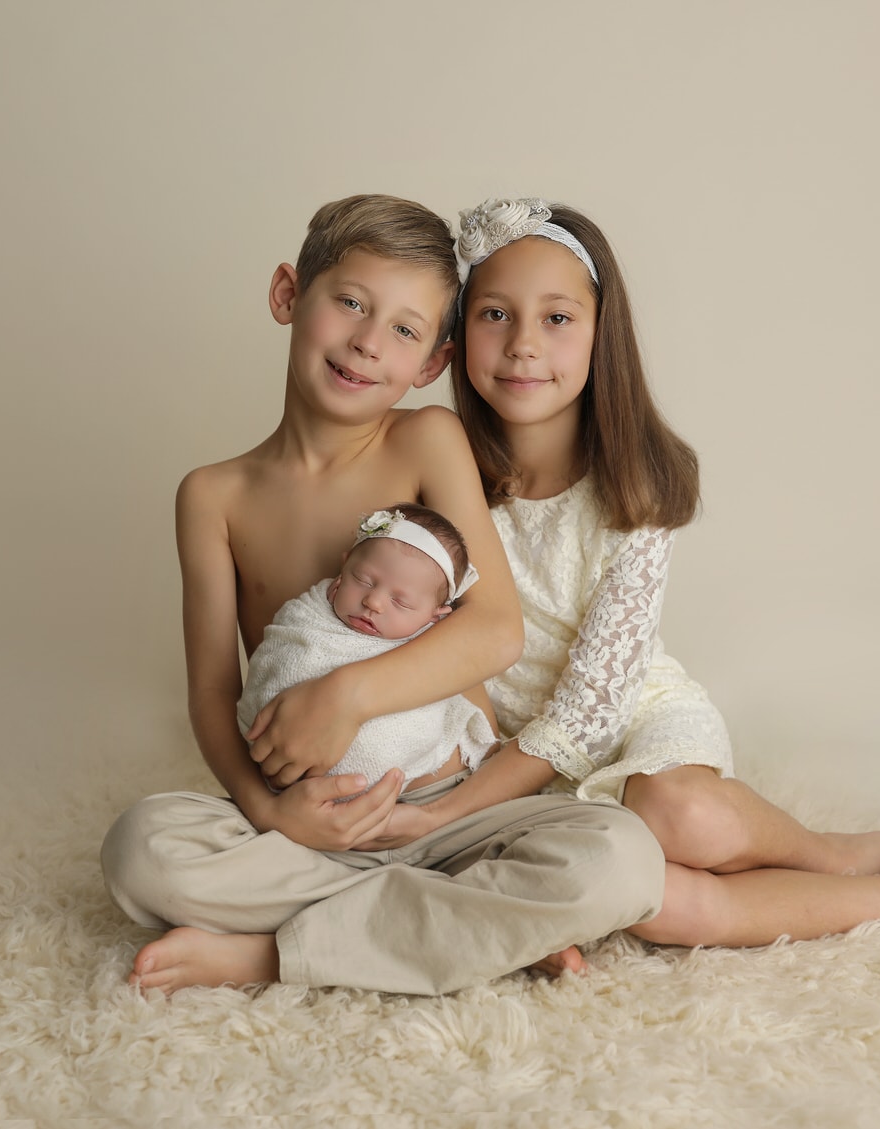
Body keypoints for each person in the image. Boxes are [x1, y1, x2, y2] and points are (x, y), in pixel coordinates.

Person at [265, 197, 880, 950]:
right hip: (498, 751)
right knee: (662, 909)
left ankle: (843, 854)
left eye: (558, 318)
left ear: (601, 334)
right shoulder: (431, 463)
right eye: (493, 314)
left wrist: (451, 811)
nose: (524, 345)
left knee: (681, 813)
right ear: (450, 346)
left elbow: (594, 706)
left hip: (619, 716)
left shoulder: (635, 488)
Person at [99, 195, 664, 996]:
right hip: (309, 821)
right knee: (140, 849)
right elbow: (212, 690)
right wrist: (269, 814)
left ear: (430, 363)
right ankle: (468, 929)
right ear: (290, 295)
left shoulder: (426, 441)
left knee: (625, 859)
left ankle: (272, 955)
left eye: (403, 329)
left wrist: (348, 694)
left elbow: (496, 629)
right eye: (351, 303)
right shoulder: (213, 497)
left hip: (452, 809)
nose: (368, 342)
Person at [235, 503, 495, 790]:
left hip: (399, 792)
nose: (373, 602)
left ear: (435, 617)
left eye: (401, 602)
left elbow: (420, 719)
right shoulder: (308, 614)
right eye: (363, 580)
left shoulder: (430, 651)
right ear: (343, 568)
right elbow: (278, 661)